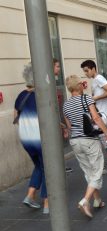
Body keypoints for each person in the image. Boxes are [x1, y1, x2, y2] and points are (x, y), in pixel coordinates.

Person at [63, 75, 107, 218]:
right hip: (89, 140)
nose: (84, 86)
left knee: (88, 171)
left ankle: (97, 200)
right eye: (82, 84)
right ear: (78, 86)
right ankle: (85, 200)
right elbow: (95, 118)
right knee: (97, 171)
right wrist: (106, 133)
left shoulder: (65, 104)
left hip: (75, 141)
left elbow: (69, 126)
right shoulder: (87, 99)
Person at [14, 63, 49, 214]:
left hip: (26, 139)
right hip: (40, 138)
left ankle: (29, 196)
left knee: (39, 166)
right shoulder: (41, 96)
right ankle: (47, 204)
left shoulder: (21, 96)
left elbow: (15, 117)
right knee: (48, 168)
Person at [80, 60, 107, 174]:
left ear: (93, 69)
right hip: (102, 114)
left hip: (104, 114)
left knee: (105, 140)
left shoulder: (99, 78)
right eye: (84, 71)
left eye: (87, 71)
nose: (86, 73)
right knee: (103, 140)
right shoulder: (96, 80)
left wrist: (94, 98)